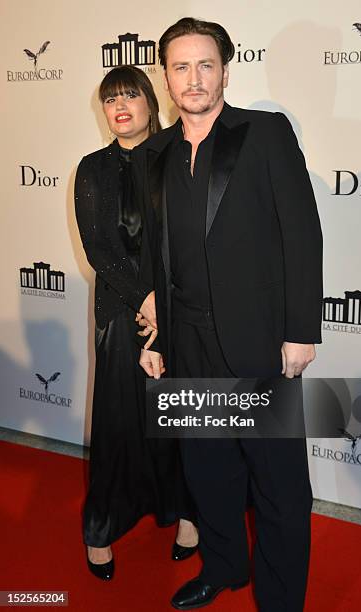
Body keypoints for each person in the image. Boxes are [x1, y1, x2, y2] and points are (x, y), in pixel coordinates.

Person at [134, 17, 323, 611]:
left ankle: (280, 599)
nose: (194, 79)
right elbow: (159, 252)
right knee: (208, 471)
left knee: (279, 486)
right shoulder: (157, 152)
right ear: (166, 77)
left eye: (205, 64)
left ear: (224, 69)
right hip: (186, 340)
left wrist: (300, 329)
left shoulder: (264, 133)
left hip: (259, 339)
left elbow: (303, 232)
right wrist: (159, 331)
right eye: (181, 67)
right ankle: (223, 567)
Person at [74, 65, 198, 581]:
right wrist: (142, 298)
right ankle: (100, 528)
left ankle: (188, 514)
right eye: (110, 99)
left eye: (129, 94)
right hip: (123, 314)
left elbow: (190, 236)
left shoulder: (178, 156)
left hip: (179, 307)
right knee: (119, 422)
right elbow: (99, 249)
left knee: (179, 420)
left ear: (151, 100)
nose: (119, 105)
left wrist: (164, 300)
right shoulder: (92, 168)